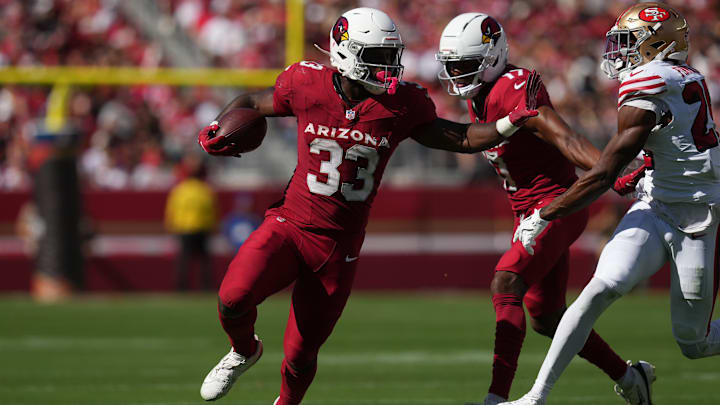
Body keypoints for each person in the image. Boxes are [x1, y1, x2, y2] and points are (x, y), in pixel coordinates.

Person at [195, 7, 545, 405]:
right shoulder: (306, 83)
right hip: (289, 224)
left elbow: (460, 138)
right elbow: (252, 104)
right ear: (344, 54)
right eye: (377, 57)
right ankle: (244, 350)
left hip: (337, 247)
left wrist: (508, 123)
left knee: (301, 354)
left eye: (390, 56)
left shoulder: (403, 105)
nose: (388, 68)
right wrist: (215, 128)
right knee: (232, 297)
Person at [505, 3, 720, 405]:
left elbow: (605, 173)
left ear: (657, 44)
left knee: (696, 343)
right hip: (656, 204)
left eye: (628, 42)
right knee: (597, 291)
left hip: (699, 218)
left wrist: (546, 213)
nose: (618, 51)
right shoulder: (678, 76)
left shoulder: (651, 79)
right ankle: (535, 397)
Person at [434, 13, 652, 405]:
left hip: (557, 205)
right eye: (451, 65)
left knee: (507, 282)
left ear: (492, 57)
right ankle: (631, 377)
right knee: (548, 317)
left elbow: (565, 136)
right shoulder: (482, 94)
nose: (456, 74)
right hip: (527, 213)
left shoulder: (512, 87)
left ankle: (496, 399)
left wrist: (612, 172)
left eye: (464, 65)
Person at [165, 153, 218, 290]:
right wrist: (212, 226)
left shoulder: (180, 190)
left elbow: (172, 210)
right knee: (204, 261)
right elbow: (212, 211)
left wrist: (172, 226)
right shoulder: (206, 190)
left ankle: (181, 287)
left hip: (185, 229)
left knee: (184, 260)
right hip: (202, 228)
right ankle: (205, 286)